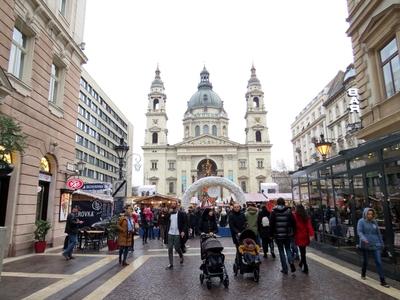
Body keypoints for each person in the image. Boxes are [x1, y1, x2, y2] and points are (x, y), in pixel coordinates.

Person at [357, 208, 389, 288]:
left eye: (371, 214)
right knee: (366, 261)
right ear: (365, 214)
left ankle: (382, 280)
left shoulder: (374, 222)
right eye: (368, 214)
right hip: (366, 244)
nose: (370, 216)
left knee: (378, 262)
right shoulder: (361, 221)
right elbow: (359, 232)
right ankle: (363, 273)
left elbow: (378, 233)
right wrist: (364, 239)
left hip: (376, 244)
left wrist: (382, 243)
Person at [270, 198, 296, 275]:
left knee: (281, 251)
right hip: (287, 234)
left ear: (277, 203)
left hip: (278, 235)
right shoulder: (288, 211)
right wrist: (293, 232)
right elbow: (293, 223)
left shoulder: (273, 211)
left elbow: (271, 224)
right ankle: (291, 262)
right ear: (284, 203)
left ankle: (285, 269)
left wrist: (271, 234)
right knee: (288, 249)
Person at [164, 201, 186, 269]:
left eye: (174, 204)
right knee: (170, 248)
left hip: (177, 233)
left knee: (177, 247)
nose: (173, 205)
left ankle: (181, 255)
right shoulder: (169, 213)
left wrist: (183, 231)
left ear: (176, 205)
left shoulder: (181, 214)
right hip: (170, 233)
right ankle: (171, 264)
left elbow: (185, 223)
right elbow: (165, 220)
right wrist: (167, 213)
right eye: (172, 204)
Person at [293, 204, 314, 274]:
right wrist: (311, 235)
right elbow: (309, 226)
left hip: (298, 236)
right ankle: (302, 263)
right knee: (303, 251)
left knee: (302, 252)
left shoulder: (295, 216)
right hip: (305, 236)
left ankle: (305, 266)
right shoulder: (306, 216)